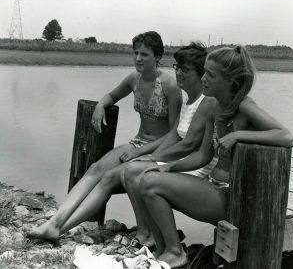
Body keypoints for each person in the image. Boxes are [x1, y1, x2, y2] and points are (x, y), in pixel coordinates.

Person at [137, 45, 293, 268]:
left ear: (231, 81)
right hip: (213, 186)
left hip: (235, 199)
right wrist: (170, 167)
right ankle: (164, 251)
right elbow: (202, 156)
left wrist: (238, 135)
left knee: (150, 185)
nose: (203, 79)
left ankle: (175, 252)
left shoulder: (244, 106)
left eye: (210, 75)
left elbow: (286, 136)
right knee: (146, 178)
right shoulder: (213, 106)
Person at [27, 31, 182, 241]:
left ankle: (60, 230)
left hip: (159, 150)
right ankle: (54, 223)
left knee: (109, 177)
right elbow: (112, 95)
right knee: (95, 168)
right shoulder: (134, 79)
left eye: (144, 54)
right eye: (135, 53)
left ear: (157, 56)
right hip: (137, 143)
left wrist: (141, 152)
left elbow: (175, 134)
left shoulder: (170, 86)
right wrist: (101, 104)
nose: (138, 58)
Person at [121, 42, 216, 249]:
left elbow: (189, 144)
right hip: (186, 163)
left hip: (198, 169)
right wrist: (151, 156)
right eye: (177, 67)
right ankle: (152, 237)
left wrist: (154, 159)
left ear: (201, 74)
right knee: (132, 170)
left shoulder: (206, 101)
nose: (179, 73)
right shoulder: (189, 99)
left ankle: (167, 245)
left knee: (140, 173)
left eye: (185, 69)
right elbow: (174, 135)